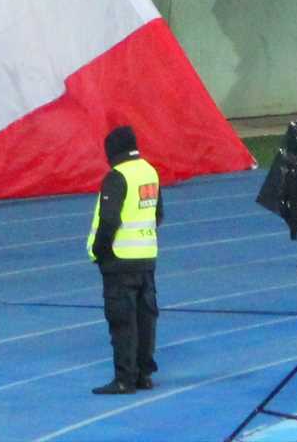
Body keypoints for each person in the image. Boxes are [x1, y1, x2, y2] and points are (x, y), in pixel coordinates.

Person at [88, 122, 160, 394]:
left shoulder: (117, 177)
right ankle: (144, 375)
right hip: (146, 257)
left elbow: (108, 220)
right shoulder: (149, 172)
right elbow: (158, 214)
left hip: (119, 260)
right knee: (146, 319)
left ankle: (124, 379)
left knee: (122, 321)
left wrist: (99, 251)